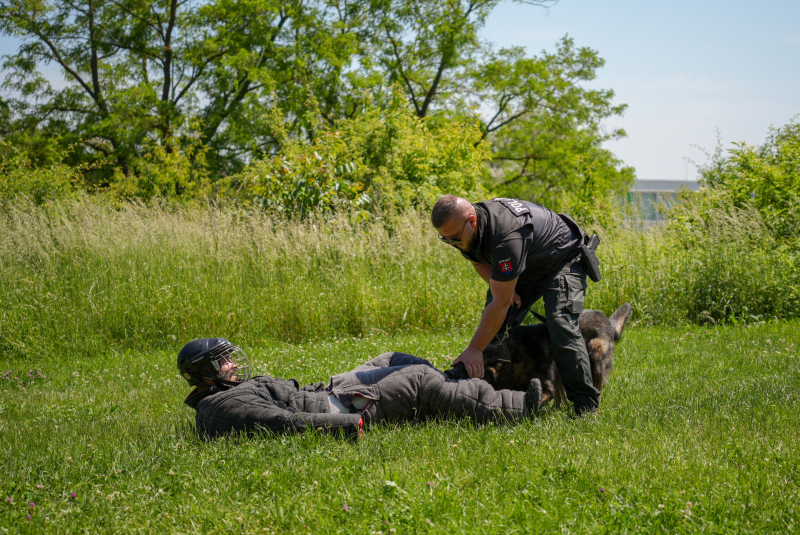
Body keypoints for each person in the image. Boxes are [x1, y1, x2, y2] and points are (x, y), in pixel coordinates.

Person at [431, 195, 599, 417]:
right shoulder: (463, 232)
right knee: (494, 326)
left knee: (560, 323)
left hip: (564, 259)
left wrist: (475, 348)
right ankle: (478, 393)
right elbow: (478, 261)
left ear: (472, 221)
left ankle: (585, 406)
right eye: (446, 240)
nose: (453, 244)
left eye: (454, 238)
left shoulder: (505, 236)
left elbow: (499, 303)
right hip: (528, 263)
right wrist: (507, 292)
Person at [177, 338, 543, 440]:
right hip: (345, 408)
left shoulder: (224, 394)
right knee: (418, 378)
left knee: (391, 358)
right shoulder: (225, 407)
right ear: (204, 374)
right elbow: (285, 424)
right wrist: (351, 426)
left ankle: (451, 391)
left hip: (332, 390)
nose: (233, 365)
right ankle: (512, 407)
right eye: (223, 362)